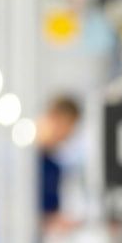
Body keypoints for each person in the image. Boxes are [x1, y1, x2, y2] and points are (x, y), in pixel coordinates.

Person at [37, 95, 82, 232]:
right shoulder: (26, 161)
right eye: (70, 126)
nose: (70, 135)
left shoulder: (54, 168)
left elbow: (49, 214)